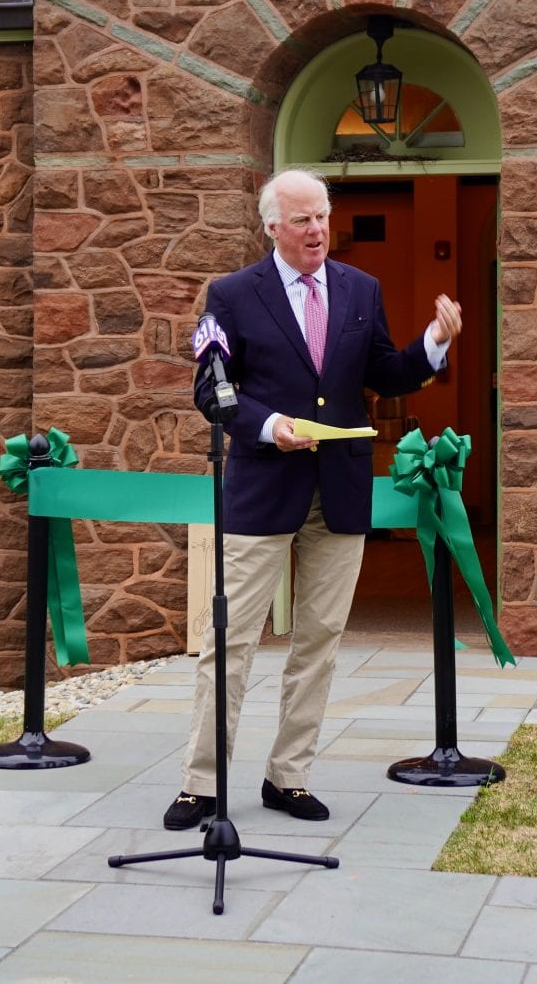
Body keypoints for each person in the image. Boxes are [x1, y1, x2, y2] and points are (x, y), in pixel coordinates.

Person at [164, 168, 462, 830]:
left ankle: (288, 776)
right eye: (302, 219)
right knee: (230, 640)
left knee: (319, 640)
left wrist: (433, 344)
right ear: (272, 226)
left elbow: (383, 373)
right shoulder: (232, 294)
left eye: (323, 216)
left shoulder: (361, 288)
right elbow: (213, 390)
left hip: (341, 488)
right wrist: (270, 426)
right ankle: (201, 785)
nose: (317, 229)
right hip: (264, 487)